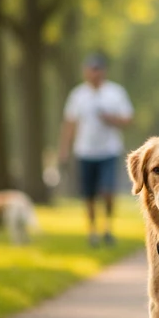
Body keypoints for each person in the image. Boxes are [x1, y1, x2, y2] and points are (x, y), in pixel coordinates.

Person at [58, 53, 134, 246]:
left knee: (108, 191)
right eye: (91, 69)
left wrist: (111, 119)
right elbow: (69, 124)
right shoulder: (77, 95)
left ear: (103, 71)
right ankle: (92, 231)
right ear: (86, 72)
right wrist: (64, 150)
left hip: (109, 150)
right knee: (89, 194)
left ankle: (108, 227)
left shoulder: (115, 93)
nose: (95, 73)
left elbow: (127, 119)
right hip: (85, 151)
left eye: (98, 69)